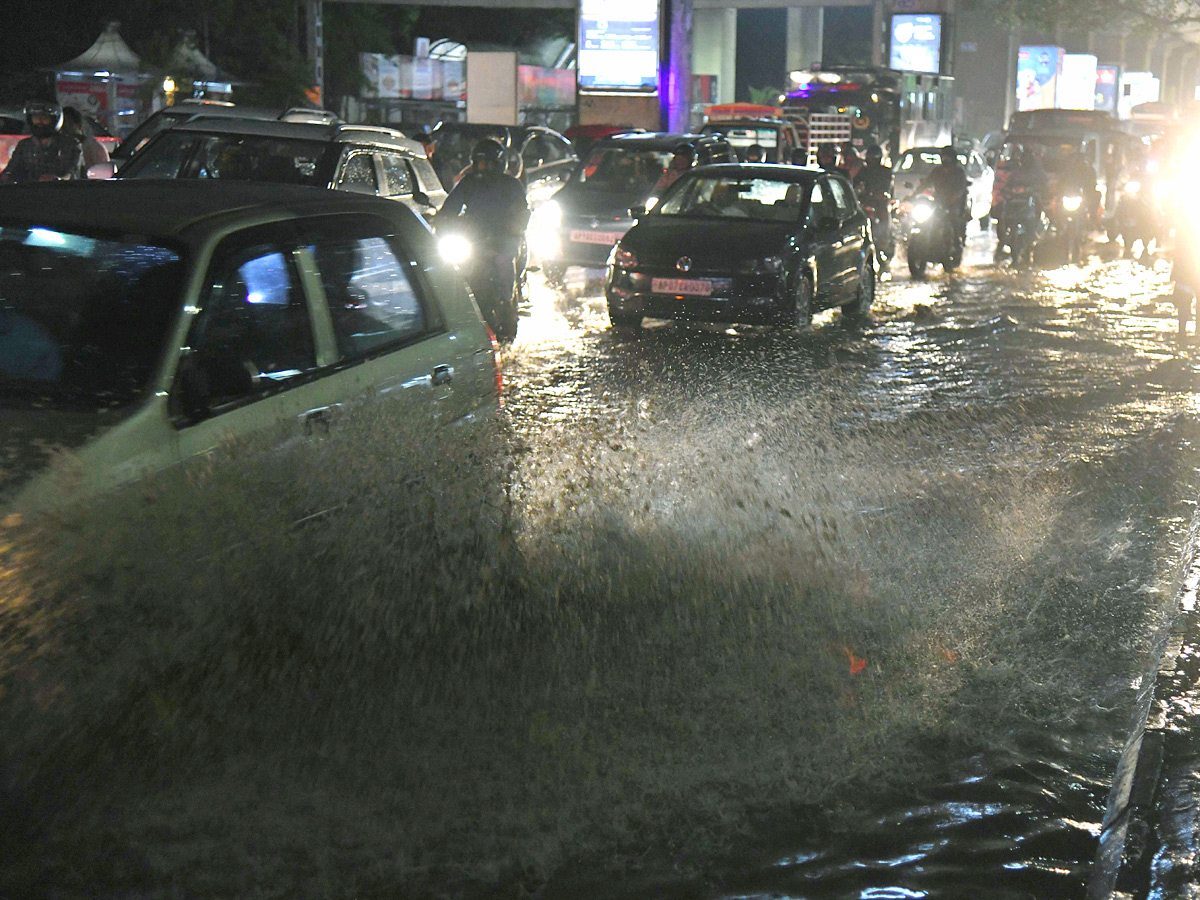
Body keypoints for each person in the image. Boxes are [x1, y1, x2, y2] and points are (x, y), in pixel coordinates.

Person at [437, 138, 530, 332]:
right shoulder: (469, 183)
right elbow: (450, 207)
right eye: (479, 163)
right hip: (475, 239)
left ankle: (507, 304)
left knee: (505, 261)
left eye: (488, 163)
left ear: (499, 164)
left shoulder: (512, 185)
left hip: (504, 237)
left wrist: (514, 227)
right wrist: (442, 221)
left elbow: (522, 212)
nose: (483, 168)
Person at [0, 100, 82, 184]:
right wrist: (5, 177)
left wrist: (58, 179)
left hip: (60, 192)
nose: (39, 120)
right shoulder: (24, 145)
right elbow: (11, 170)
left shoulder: (70, 144)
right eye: (35, 117)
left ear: (55, 119)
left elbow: (71, 172)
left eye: (44, 117)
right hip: (28, 193)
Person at [918, 146, 969, 243]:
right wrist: (913, 196)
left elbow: (960, 189)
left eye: (948, 157)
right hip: (938, 202)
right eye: (944, 157)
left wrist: (954, 197)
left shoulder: (959, 172)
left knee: (954, 219)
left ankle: (956, 242)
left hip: (954, 203)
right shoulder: (937, 171)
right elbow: (925, 184)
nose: (945, 159)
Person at [61, 106, 109, 171]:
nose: (65, 130)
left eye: (68, 124)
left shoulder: (94, 147)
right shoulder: (59, 148)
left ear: (78, 125)